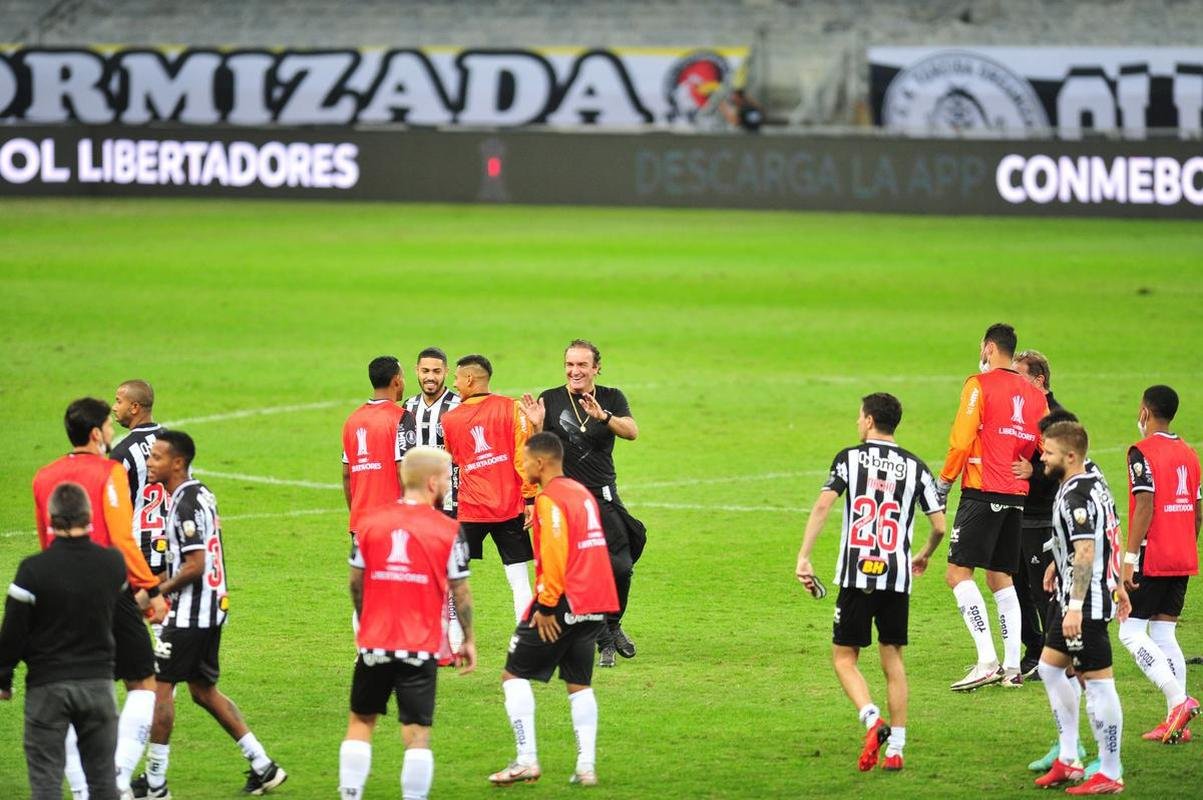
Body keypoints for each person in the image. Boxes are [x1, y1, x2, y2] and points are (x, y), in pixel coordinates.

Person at [795, 393, 946, 773]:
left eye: (859, 416)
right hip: (896, 575)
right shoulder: (916, 467)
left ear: (868, 421)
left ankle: (871, 717)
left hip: (856, 573)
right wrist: (924, 553)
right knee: (892, 658)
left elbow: (823, 505)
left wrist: (804, 555)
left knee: (845, 657)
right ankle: (896, 747)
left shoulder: (849, 458)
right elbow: (940, 525)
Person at [132, 430, 286, 798]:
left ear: (177, 463)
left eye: (156, 457)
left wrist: (153, 594)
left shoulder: (183, 504)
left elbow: (195, 565)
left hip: (191, 614)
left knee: (158, 690)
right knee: (203, 691)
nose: (149, 463)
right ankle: (264, 766)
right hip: (213, 607)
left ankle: (155, 782)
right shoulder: (200, 493)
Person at [32, 397, 167, 800]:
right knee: (144, 682)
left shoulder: (43, 476)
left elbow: (45, 540)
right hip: (110, 590)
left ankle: (80, 790)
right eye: (108, 426)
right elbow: (122, 538)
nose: (112, 432)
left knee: (76, 689)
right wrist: (150, 590)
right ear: (96, 434)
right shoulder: (109, 473)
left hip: (56, 590)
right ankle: (117, 779)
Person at [338, 447, 477, 800]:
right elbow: (460, 590)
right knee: (417, 733)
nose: (449, 483)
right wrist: (468, 639)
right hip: (419, 646)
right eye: (447, 478)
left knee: (361, 722)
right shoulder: (448, 529)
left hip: (375, 642)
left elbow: (356, 583)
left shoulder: (370, 522)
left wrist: (367, 621)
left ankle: (350, 794)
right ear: (432, 483)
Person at [487, 432, 619, 787]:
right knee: (579, 683)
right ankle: (586, 767)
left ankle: (526, 759)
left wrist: (546, 606)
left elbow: (557, 555)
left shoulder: (549, 500)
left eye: (525, 460)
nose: (522, 466)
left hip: (561, 601)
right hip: (595, 601)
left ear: (541, 463)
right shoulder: (580, 492)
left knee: (513, 675)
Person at [520, 339, 645, 668]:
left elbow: (631, 432)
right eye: (570, 365)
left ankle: (613, 624)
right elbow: (539, 451)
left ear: (596, 368)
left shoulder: (611, 397)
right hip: (567, 502)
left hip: (604, 497)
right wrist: (534, 425)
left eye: (582, 365)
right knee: (582, 572)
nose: (575, 371)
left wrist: (603, 417)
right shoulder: (550, 398)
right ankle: (603, 638)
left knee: (622, 566)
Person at [939, 323, 1048, 691]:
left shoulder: (978, 384)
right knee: (1001, 577)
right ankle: (1013, 667)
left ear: (988, 347)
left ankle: (987, 660)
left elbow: (962, 438)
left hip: (982, 491)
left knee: (957, 573)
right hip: (1016, 496)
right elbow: (1044, 439)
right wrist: (1031, 465)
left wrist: (945, 481)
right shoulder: (1035, 394)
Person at [1, 483, 128, 800]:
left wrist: (4, 677)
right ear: (89, 517)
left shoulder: (32, 570)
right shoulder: (112, 565)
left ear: (51, 519)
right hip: (98, 686)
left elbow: (13, 631)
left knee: (46, 785)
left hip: (47, 688)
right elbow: (122, 620)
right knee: (103, 783)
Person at [1031, 421, 1129, 794]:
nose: (1042, 457)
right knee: (1050, 669)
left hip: (1084, 602)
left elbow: (1088, 550)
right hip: (1082, 592)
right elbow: (1108, 532)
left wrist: (1075, 607)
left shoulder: (1074, 496)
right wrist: (1060, 560)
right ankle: (1069, 758)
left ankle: (1110, 771)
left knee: (1099, 684)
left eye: (1049, 453)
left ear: (1070, 456)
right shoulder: (1092, 479)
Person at [1118, 385, 1201, 743]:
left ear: (1145, 411)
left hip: (1153, 554)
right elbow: (1198, 510)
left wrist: (1129, 559)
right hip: (1182, 554)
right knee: (1164, 633)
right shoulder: (1189, 453)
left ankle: (1178, 701)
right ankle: (1176, 723)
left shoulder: (1142, 452)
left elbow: (1145, 504)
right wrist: (1186, 543)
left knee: (1130, 631)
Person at [442, 354, 537, 622]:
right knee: (518, 578)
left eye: (457, 378)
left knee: (455, 574)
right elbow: (524, 457)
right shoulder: (513, 408)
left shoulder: (450, 419)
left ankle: (456, 640)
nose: (456, 384)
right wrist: (529, 499)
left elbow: (455, 458)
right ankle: (524, 639)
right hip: (509, 507)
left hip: (471, 510)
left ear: (470, 378)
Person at [403, 347, 464, 660]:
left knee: (447, 569)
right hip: (417, 505)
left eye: (436, 371)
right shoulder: (409, 406)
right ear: (416, 371)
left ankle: (450, 641)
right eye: (425, 371)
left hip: (450, 501)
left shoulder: (457, 406)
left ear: (445, 372)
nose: (430, 377)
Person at [1011, 350, 1061, 678]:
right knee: (1015, 583)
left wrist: (1035, 473)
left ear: (1038, 380)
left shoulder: (1056, 419)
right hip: (1018, 513)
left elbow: (1066, 469)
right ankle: (1034, 648)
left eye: (1019, 376)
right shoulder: (1022, 410)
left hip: (1042, 516)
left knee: (1042, 587)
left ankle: (1054, 655)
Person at [343, 356, 418, 548]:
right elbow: (404, 470)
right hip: (393, 521)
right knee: (395, 575)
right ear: (396, 381)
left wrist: (356, 512)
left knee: (364, 577)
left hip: (361, 521)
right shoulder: (402, 417)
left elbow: (346, 475)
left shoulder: (352, 420)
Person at [110, 380, 170, 579]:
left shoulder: (123, 452)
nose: (114, 407)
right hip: (174, 543)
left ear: (134, 407)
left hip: (140, 549)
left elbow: (116, 507)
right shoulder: (173, 441)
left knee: (138, 607)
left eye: (119, 401)